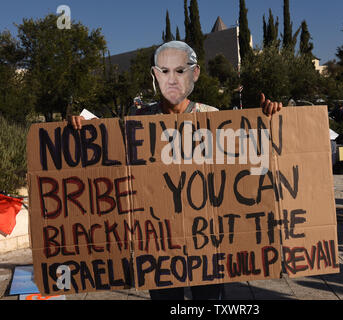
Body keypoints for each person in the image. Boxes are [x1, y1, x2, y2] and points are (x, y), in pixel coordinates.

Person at [68, 40, 284, 299]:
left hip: (207, 244)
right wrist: (80, 129)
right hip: (159, 245)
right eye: (165, 71)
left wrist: (268, 118)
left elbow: (245, 167)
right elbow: (107, 153)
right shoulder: (140, 121)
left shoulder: (212, 117)